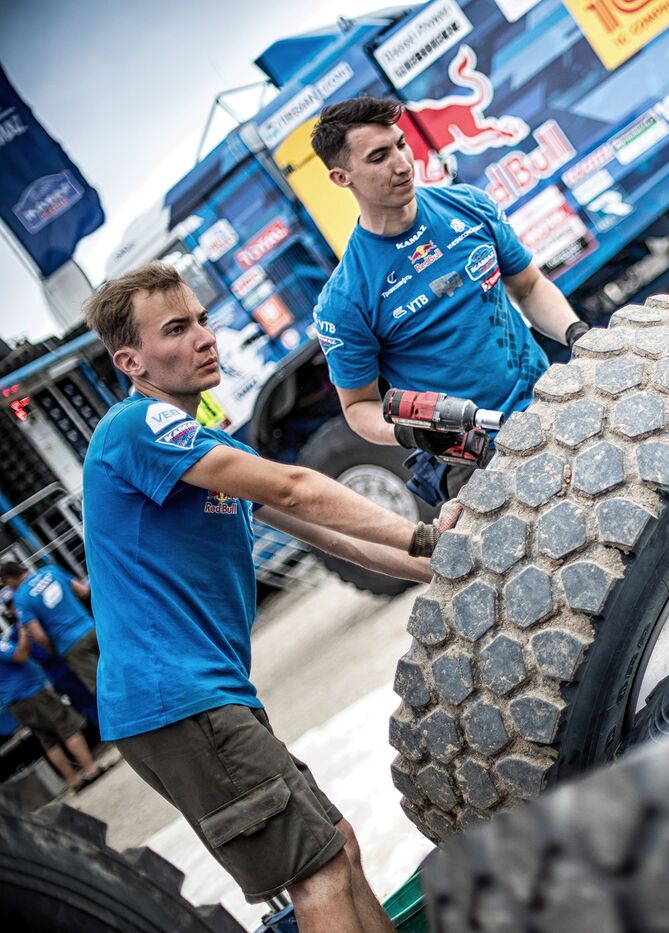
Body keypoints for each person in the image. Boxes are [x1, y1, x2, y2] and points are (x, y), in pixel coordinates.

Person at [80, 262, 462, 933]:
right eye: (177, 328)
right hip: (177, 700)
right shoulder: (138, 428)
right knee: (317, 874)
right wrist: (425, 534)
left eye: (202, 319)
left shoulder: (204, 448)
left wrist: (445, 562)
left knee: (336, 843)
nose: (205, 337)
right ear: (131, 361)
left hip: (207, 695)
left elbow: (333, 537)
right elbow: (295, 488)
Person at [309, 96, 590, 504]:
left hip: (550, 403)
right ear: (341, 177)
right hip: (472, 459)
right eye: (379, 157)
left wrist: (576, 333)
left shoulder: (468, 206)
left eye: (401, 145)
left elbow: (528, 286)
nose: (403, 164)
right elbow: (358, 407)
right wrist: (410, 433)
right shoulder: (344, 299)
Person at [0, 620, 101, 791]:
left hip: (15, 702)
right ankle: (92, 769)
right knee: (68, 727)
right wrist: (23, 633)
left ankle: (74, 781)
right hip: (31, 693)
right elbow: (20, 655)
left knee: (48, 740)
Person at [2, 561, 100, 695]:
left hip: (70, 645)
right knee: (121, 668)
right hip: (93, 629)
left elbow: (39, 636)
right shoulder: (51, 570)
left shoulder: (20, 598)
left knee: (102, 688)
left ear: (9, 579)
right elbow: (83, 591)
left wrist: (54, 650)